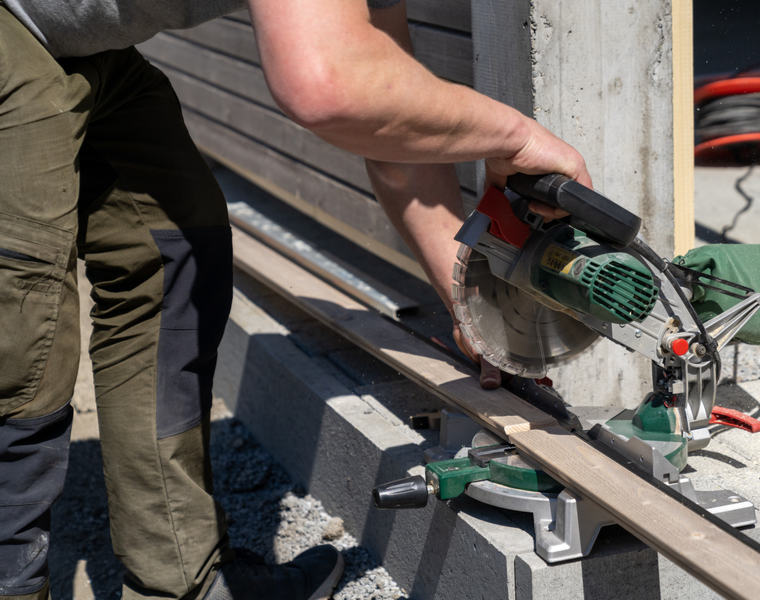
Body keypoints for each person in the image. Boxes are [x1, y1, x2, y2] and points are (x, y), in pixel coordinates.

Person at [0, 0, 591, 598]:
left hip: (82, 43)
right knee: (23, 339)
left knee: (171, 246)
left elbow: (392, 129)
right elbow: (326, 82)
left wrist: (475, 311)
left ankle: (179, 582)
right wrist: (517, 136)